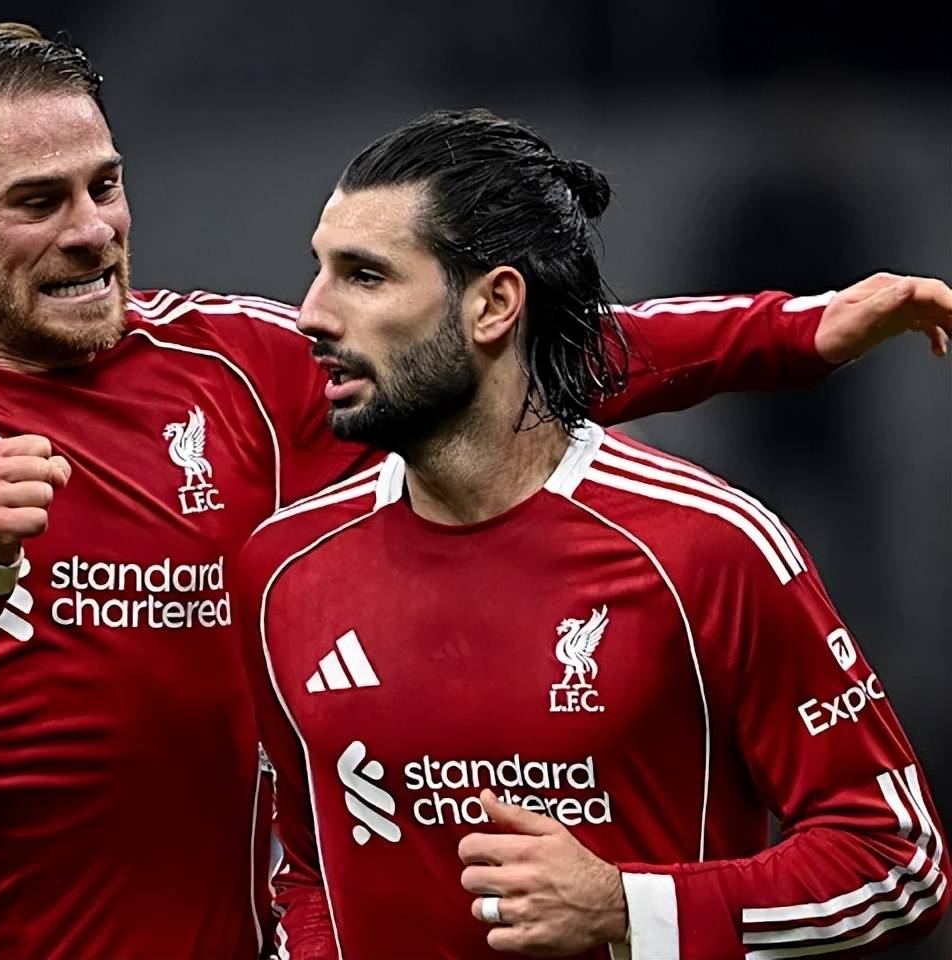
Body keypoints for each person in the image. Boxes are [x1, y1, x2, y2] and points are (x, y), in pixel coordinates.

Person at [0, 23, 947, 960]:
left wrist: (788, 333)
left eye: (104, 185)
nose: (93, 231)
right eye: (37, 202)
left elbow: (491, 359)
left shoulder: (228, 365)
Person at [240, 109, 950, 959]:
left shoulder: (707, 549)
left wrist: (628, 908)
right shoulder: (282, 570)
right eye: (319, 270)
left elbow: (898, 861)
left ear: (493, 305)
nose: (310, 314)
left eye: (364, 276)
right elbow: (308, 872)